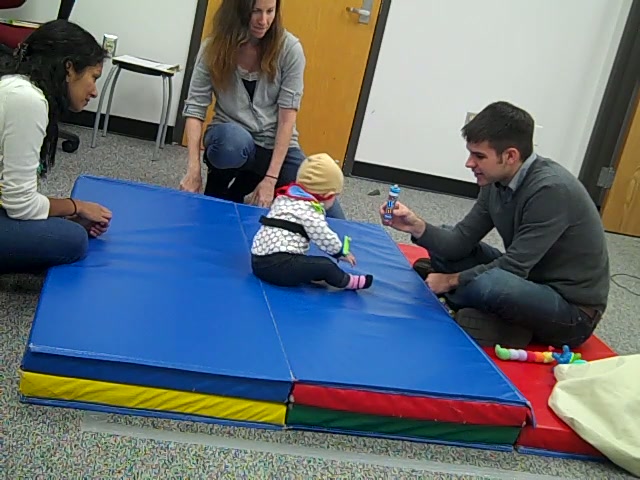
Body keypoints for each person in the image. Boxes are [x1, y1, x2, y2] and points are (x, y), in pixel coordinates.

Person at [381, 101, 609, 349]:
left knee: (491, 284)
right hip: (529, 280)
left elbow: (513, 267)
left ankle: (483, 312)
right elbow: (459, 240)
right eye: (470, 153)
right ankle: (497, 319)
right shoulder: (494, 182)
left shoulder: (551, 190)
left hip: (572, 313)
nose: (469, 163)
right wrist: (416, 226)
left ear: (510, 156)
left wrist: (450, 281)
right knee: (446, 241)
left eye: (479, 156)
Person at [179, 0, 346, 219]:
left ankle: (240, 188)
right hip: (233, 139)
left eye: (270, 11)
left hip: (275, 145)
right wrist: (193, 171)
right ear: (237, 11)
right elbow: (195, 109)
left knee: (331, 212)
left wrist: (270, 179)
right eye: (256, 11)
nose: (264, 21)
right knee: (230, 143)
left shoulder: (290, 49)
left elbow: (287, 120)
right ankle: (221, 185)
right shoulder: (212, 48)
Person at [0, 19, 113, 274]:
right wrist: (75, 206)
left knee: (62, 228)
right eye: (93, 77)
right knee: (72, 239)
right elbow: (20, 205)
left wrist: (54, 214)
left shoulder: (18, 88)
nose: (94, 91)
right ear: (69, 69)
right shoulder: (28, 100)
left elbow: (10, 192)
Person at [251, 153, 372, 290]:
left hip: (257, 261)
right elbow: (323, 235)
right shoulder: (310, 210)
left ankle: (309, 274)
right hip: (278, 266)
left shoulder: (285, 197)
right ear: (328, 195)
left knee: (308, 264)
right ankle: (348, 281)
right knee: (326, 265)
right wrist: (340, 252)